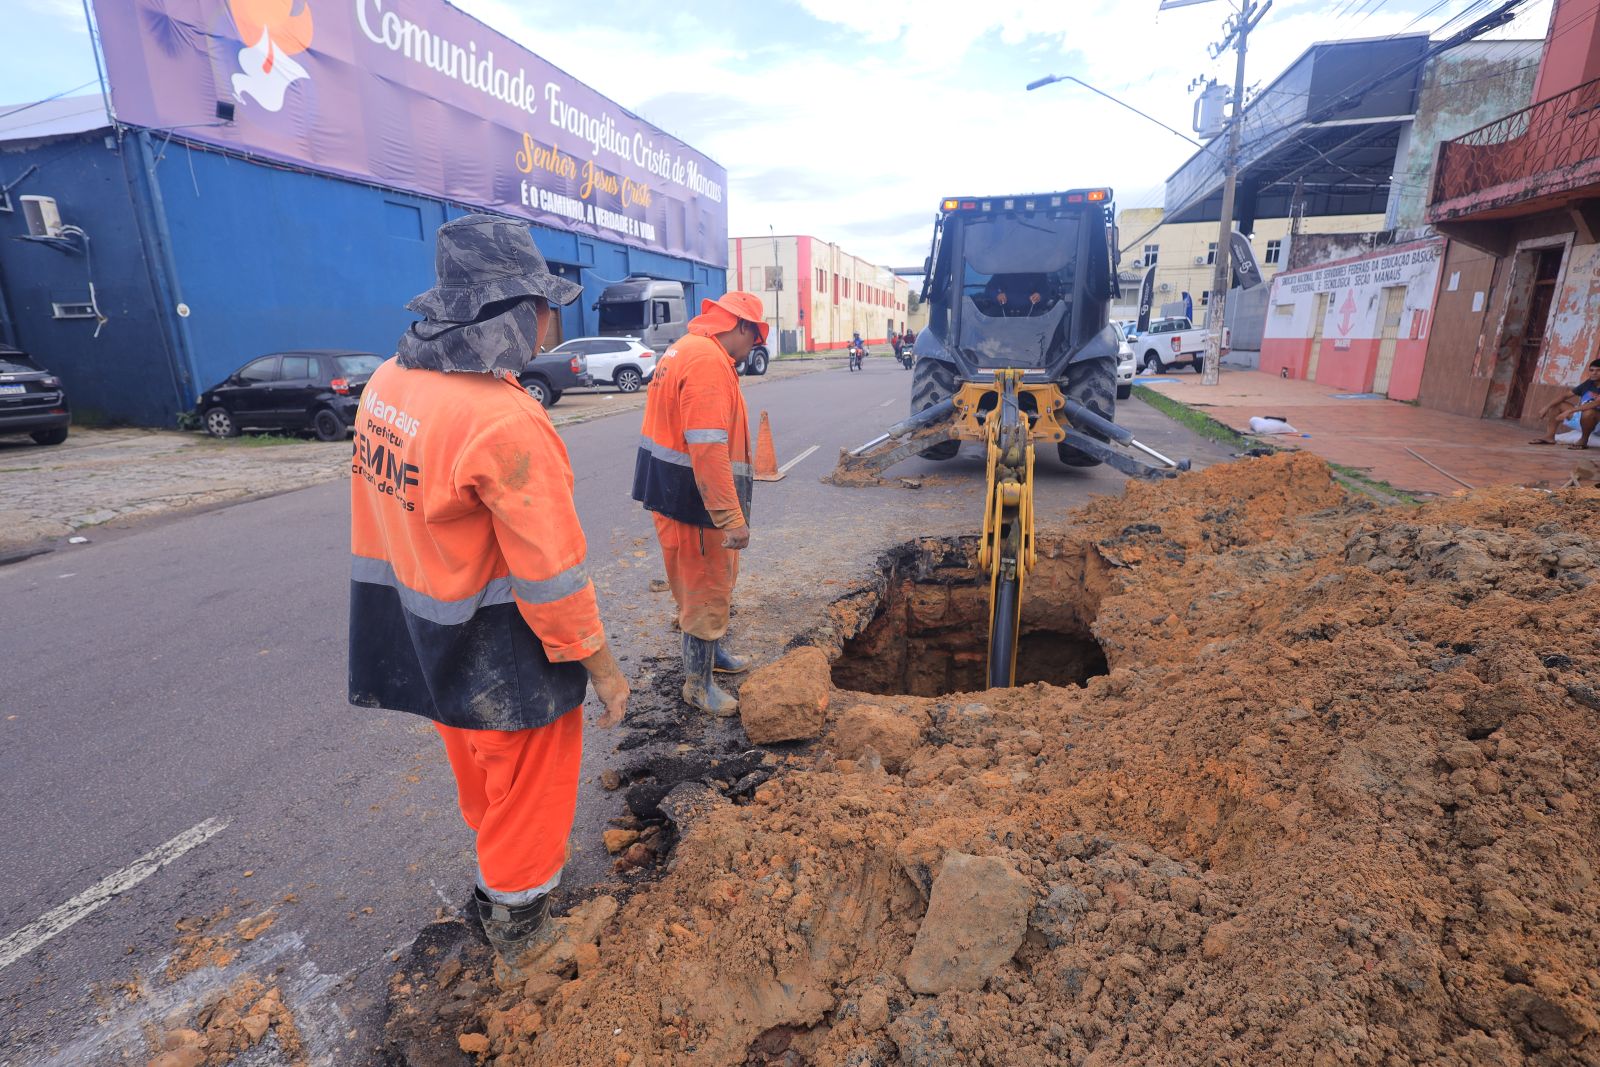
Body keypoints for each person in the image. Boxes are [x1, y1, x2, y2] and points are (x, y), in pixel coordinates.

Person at [348, 214, 630, 963]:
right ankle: (521, 931)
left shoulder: (388, 383)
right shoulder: (504, 421)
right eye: (545, 303)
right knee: (530, 783)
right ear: (513, 312)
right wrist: (602, 669)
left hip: (421, 623)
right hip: (502, 642)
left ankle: (496, 882)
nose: (552, 318)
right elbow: (553, 576)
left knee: (483, 774)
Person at [633, 292, 765, 714]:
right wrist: (730, 517)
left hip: (679, 493)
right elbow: (707, 446)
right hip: (696, 502)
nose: (754, 349)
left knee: (711, 583)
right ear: (741, 326)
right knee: (704, 590)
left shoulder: (685, 349)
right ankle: (698, 684)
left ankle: (713, 654)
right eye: (755, 338)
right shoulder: (707, 361)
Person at [1532, 358, 1600, 448]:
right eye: (1592, 370)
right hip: (1583, 419)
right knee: (1558, 404)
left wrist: (1570, 411)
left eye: (1598, 370)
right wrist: (1546, 407)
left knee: (1589, 412)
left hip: (1597, 422)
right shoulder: (1588, 383)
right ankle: (1549, 437)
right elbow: (1565, 396)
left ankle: (1583, 440)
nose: (1594, 373)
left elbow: (1596, 403)